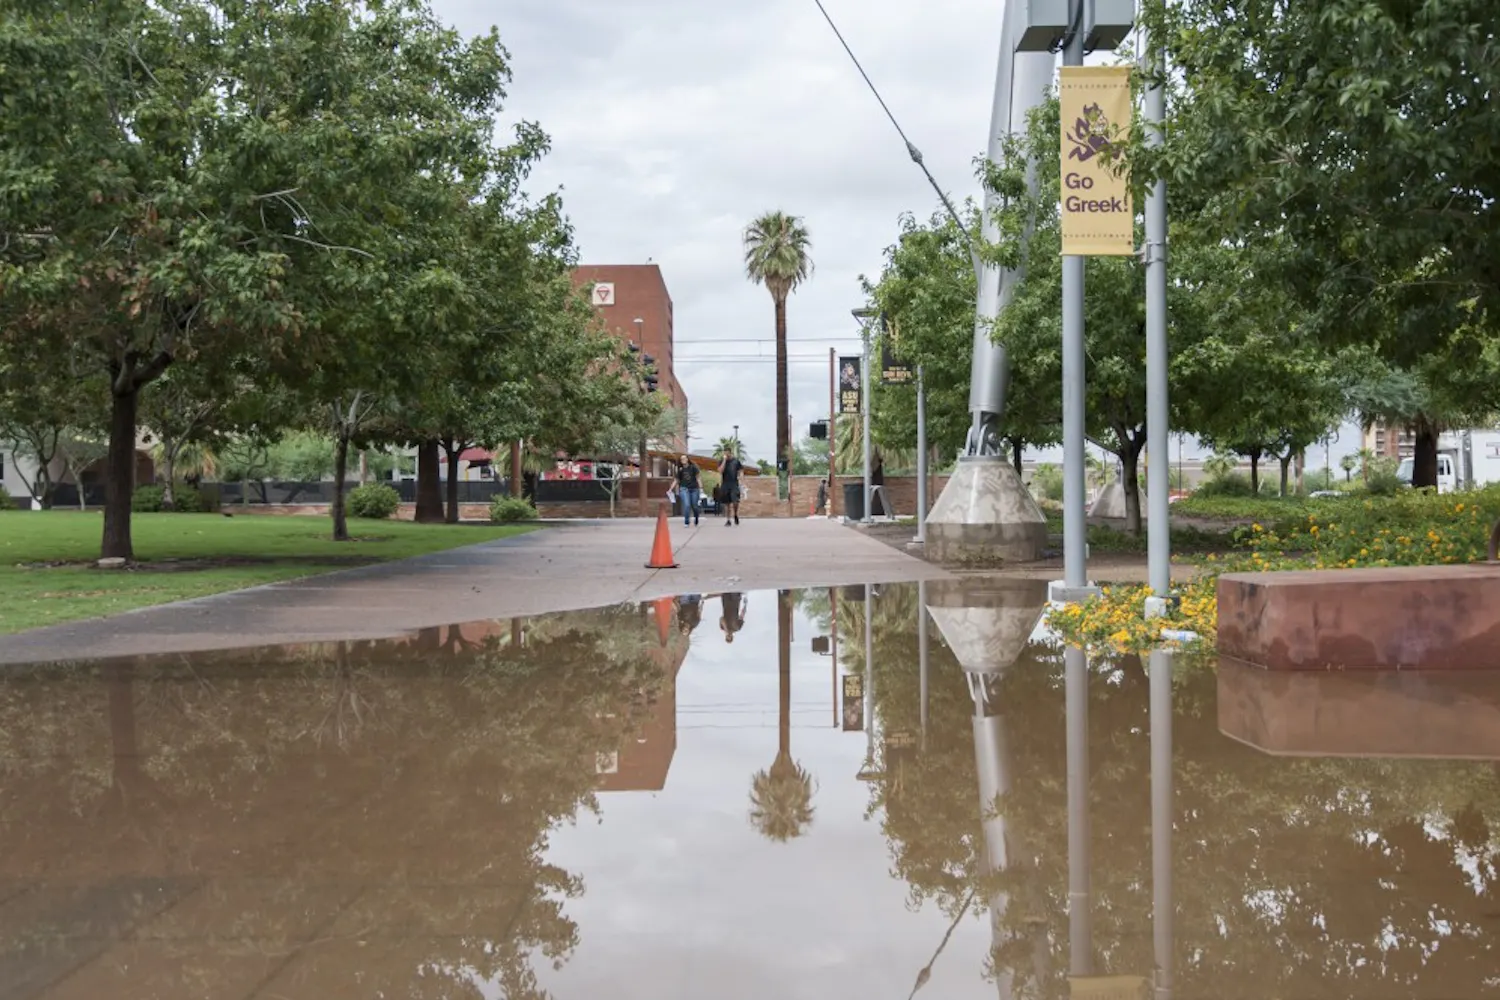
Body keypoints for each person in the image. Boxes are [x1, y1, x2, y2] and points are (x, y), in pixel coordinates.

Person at [718, 450, 743, 526]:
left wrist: (741, 477)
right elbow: (720, 471)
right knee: (727, 504)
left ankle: (735, 514)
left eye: (727, 453)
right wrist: (724, 460)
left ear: (730, 453)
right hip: (725, 484)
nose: (726, 454)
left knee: (736, 502)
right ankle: (728, 520)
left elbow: (741, 470)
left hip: (734, 484)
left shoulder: (736, 461)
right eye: (724, 453)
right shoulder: (722, 461)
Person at [675, 455, 702, 526]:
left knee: (695, 506)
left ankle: (696, 518)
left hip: (694, 489)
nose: (683, 460)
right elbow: (676, 480)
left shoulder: (693, 467)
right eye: (681, 459)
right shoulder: (680, 470)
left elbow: (698, 478)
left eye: (684, 458)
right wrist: (671, 489)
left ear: (687, 459)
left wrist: (701, 488)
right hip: (684, 489)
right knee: (687, 505)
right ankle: (686, 522)